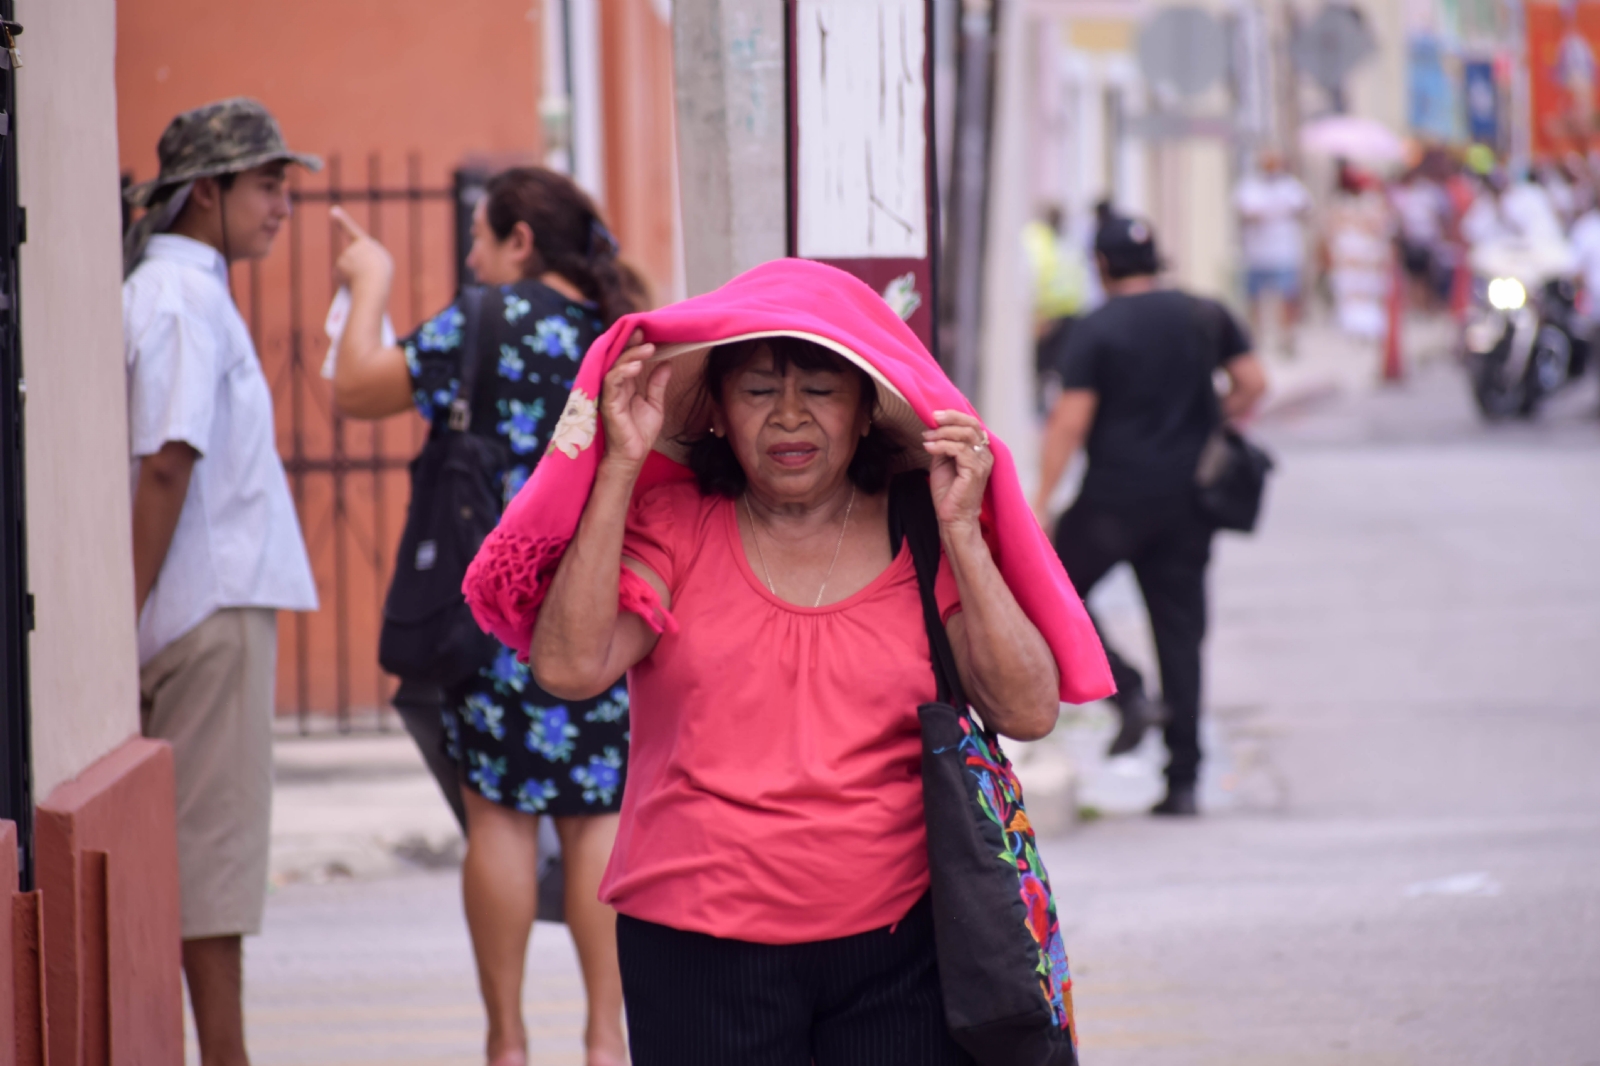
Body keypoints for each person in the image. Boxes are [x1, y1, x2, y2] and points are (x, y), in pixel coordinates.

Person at [461, 257, 1114, 1064]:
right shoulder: (675, 521)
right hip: (696, 945)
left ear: (867, 409)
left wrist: (966, 534)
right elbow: (569, 667)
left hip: (901, 946)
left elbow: (1028, 711)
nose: (790, 418)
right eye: (760, 391)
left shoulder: (918, 523)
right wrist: (620, 468)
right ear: (719, 412)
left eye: (822, 390)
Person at [330, 167, 638, 1066]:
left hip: (496, 610)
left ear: (521, 241)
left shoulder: (486, 318)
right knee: (598, 817)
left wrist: (369, 282)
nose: (472, 255)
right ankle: (605, 1039)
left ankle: (505, 1043)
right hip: (602, 607)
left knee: (500, 816)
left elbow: (356, 389)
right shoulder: (620, 338)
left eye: (479, 236)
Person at [122, 97, 321, 1066]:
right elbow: (166, 458)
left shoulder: (185, 292)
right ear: (206, 193)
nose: (282, 205)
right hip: (206, 604)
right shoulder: (180, 298)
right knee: (214, 863)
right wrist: (121, 613)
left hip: (201, 598)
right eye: (268, 185)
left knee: (207, 858)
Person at [1032, 215, 1267, 816]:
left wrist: (1043, 500)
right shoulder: (1204, 313)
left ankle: (1129, 691)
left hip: (1115, 499)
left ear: (1102, 267)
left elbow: (1070, 420)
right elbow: (1252, 383)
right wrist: (1211, 419)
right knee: (1181, 633)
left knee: (1050, 588)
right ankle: (1183, 782)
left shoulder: (1097, 328)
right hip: (1190, 501)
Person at [1235, 151, 1311, 341]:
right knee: (1255, 298)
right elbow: (1246, 212)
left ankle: (1286, 335)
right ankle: (1256, 334)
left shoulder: (1290, 186)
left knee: (1287, 296)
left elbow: (1305, 207)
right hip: (1257, 253)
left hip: (1284, 251)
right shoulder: (1250, 186)